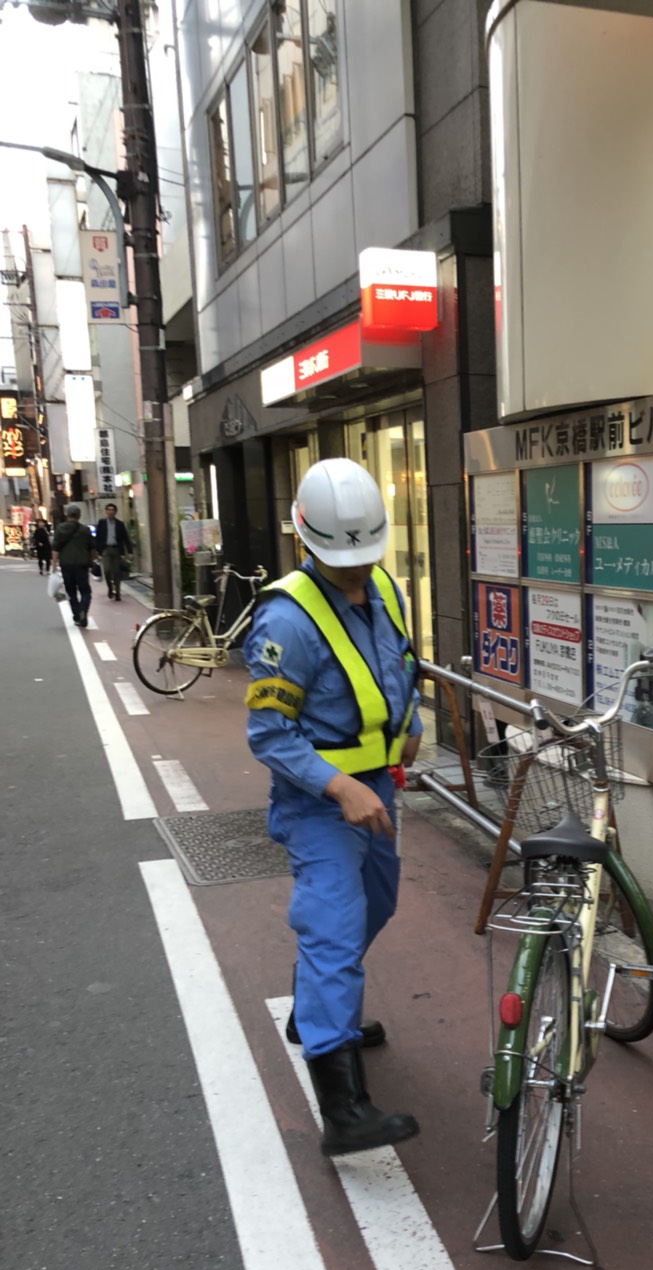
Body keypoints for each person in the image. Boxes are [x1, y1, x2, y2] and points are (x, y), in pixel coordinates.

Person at [244, 458, 422, 1158]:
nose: (355, 573)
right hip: (320, 802)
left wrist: (407, 726)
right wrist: (338, 786)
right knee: (335, 928)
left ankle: (314, 1012)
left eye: (364, 558)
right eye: (340, 562)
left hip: (377, 787)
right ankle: (344, 1110)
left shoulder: (383, 585)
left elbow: (397, 663)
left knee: (378, 904)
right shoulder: (286, 619)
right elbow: (268, 734)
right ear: (304, 538)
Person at [52, 503, 96, 628]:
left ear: (67, 515)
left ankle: (77, 615)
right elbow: (92, 548)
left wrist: (54, 565)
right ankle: (83, 610)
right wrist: (93, 561)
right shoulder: (85, 530)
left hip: (66, 565)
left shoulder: (60, 528)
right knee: (85, 591)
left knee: (71, 592)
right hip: (82, 566)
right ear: (79, 515)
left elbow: (55, 548)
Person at [95, 502, 134, 600]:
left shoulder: (120, 524)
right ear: (106, 511)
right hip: (105, 549)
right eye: (108, 510)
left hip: (116, 549)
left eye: (112, 510)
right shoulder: (101, 523)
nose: (110, 512)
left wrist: (129, 551)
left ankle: (118, 592)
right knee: (107, 570)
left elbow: (125, 538)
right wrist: (98, 551)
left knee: (117, 572)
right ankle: (110, 588)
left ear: (115, 512)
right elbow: (98, 537)